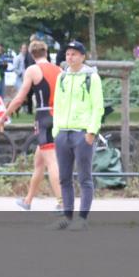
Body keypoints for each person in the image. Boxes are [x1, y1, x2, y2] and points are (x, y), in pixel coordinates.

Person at [0, 40, 63, 212]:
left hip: (44, 116)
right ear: (46, 51)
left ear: (31, 54)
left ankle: (63, 203)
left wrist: (4, 116)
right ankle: (27, 200)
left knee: (51, 161)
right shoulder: (59, 70)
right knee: (39, 162)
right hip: (60, 116)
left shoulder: (33, 70)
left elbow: (20, 98)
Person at [50, 41, 104, 231]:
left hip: (82, 132)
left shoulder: (92, 77)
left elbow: (98, 107)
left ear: (82, 56)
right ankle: (67, 215)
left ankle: (82, 217)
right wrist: (56, 130)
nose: (70, 57)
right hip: (63, 132)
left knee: (84, 177)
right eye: (67, 54)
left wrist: (91, 131)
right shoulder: (62, 77)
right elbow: (57, 105)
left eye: (74, 54)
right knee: (64, 178)